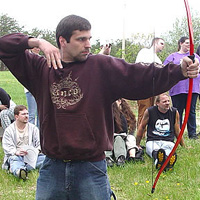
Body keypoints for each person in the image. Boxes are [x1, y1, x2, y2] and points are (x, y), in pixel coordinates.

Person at [0, 15, 198, 200]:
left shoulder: (101, 67)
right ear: (62, 41)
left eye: (89, 38)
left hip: (91, 167)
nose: (88, 44)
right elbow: (4, 45)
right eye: (81, 39)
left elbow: (140, 76)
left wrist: (178, 70)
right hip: (53, 167)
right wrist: (37, 42)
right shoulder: (41, 69)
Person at [163, 36, 200, 139]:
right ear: (181, 43)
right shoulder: (173, 56)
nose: (189, 45)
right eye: (187, 43)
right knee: (177, 111)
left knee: (191, 111)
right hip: (178, 88)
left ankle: (192, 133)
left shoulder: (195, 56)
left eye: (190, 44)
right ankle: (176, 132)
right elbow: (165, 69)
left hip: (193, 88)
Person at [136, 93, 185, 170]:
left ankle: (166, 162)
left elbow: (177, 130)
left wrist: (183, 145)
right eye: (164, 101)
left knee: (169, 150)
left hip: (168, 141)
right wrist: (137, 144)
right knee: (155, 151)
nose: (167, 103)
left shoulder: (174, 112)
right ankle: (161, 162)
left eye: (168, 101)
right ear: (157, 103)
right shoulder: (149, 111)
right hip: (153, 141)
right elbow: (142, 127)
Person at [2, 105, 45, 180]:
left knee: (45, 159)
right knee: (14, 160)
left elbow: (40, 143)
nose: (26, 116)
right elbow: (7, 147)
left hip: (31, 156)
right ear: (16, 116)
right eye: (23, 114)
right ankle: (20, 171)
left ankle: (23, 168)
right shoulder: (9, 130)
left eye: (27, 114)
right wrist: (16, 152)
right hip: (17, 155)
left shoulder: (33, 128)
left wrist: (36, 151)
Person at [135, 38, 165, 138]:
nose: (163, 46)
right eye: (161, 43)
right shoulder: (144, 52)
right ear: (155, 43)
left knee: (153, 111)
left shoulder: (158, 59)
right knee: (143, 110)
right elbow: (138, 67)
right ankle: (141, 134)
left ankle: (151, 133)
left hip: (154, 88)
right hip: (143, 86)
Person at [105, 98, 141, 167]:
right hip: (109, 137)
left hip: (121, 137)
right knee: (108, 139)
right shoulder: (105, 114)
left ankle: (123, 158)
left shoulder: (124, 114)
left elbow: (126, 129)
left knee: (122, 138)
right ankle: (107, 158)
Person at [24, 47, 41, 128]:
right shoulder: (27, 60)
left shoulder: (42, 59)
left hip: (40, 90)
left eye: (39, 47)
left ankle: (38, 134)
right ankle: (30, 133)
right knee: (31, 114)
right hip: (30, 90)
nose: (38, 49)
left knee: (40, 114)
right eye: (36, 47)